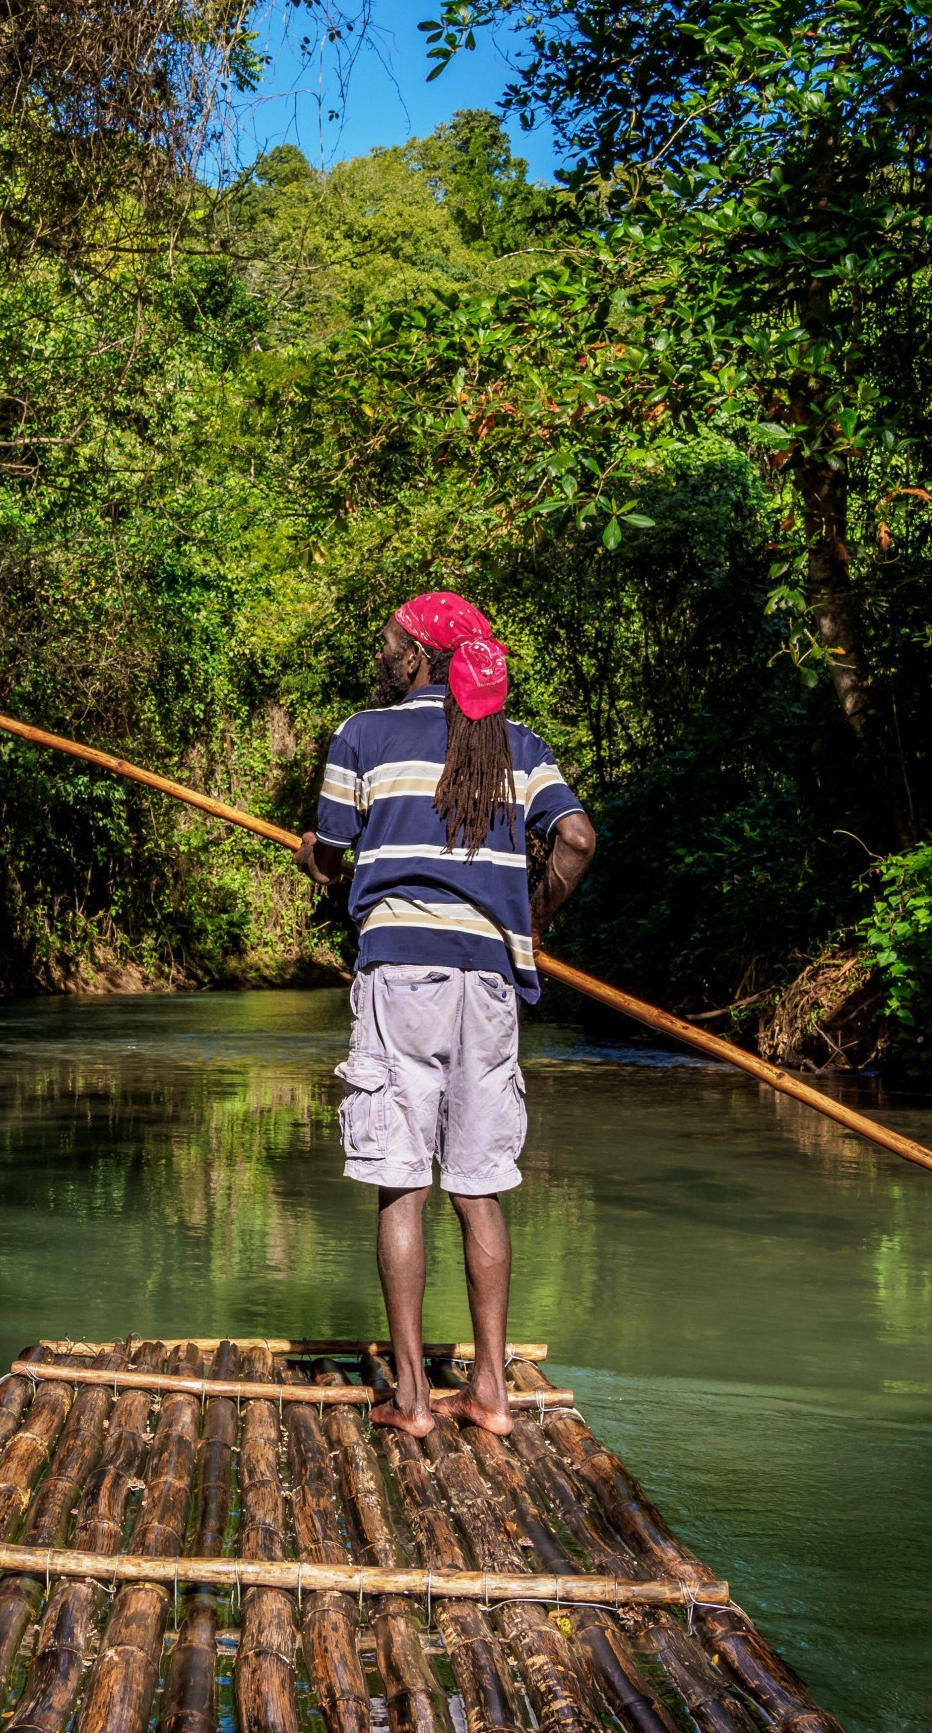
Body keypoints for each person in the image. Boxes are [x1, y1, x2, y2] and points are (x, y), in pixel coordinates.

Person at [294, 592, 595, 1436]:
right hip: (490, 984)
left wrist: (314, 856)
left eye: (389, 641)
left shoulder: (364, 734)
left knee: (402, 1184)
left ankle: (415, 1401)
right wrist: (529, 919)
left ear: (421, 654)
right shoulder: (520, 748)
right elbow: (576, 840)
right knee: (478, 1188)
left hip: (399, 979)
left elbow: (334, 848)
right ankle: (491, 1394)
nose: (380, 651)